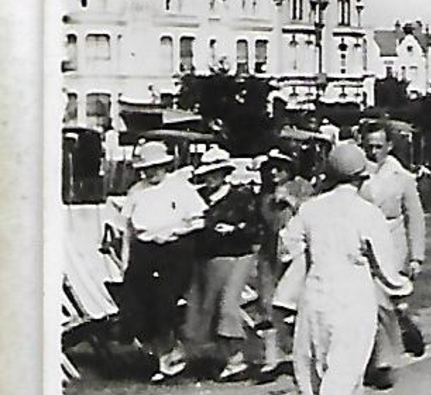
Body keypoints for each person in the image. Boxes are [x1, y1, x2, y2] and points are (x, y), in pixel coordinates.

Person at [280, 142, 413, 395]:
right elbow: (386, 266)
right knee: (348, 359)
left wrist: (311, 256)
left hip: (315, 290)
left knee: (319, 357)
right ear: (360, 178)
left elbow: (286, 246)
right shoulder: (368, 213)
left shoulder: (311, 208)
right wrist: (401, 289)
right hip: (353, 292)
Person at [120, 140, 207, 381]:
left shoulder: (181, 188)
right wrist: (127, 258)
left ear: (165, 166)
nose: (152, 172)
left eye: (157, 167)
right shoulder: (136, 191)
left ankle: (168, 357)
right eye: (147, 168)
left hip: (175, 249)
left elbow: (198, 220)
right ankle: (158, 352)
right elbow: (128, 227)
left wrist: (176, 230)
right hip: (145, 250)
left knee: (165, 302)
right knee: (136, 303)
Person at [182, 147, 262, 380]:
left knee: (227, 305)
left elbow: (254, 228)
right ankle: (224, 357)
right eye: (208, 174)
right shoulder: (199, 198)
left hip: (237, 255)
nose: (211, 178)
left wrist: (234, 229)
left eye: (216, 173)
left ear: (225, 173)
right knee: (207, 308)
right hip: (207, 258)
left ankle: (237, 358)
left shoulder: (240, 197)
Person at [358, 124, 425, 389]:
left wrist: (416, 256)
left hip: (392, 245)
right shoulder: (356, 174)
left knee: (380, 302)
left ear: (389, 146)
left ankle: (383, 361)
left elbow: (415, 217)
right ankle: (401, 326)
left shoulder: (402, 177)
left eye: (378, 146)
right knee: (371, 304)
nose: (373, 152)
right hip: (362, 244)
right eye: (368, 146)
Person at [254, 150, 313, 379]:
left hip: (298, 252)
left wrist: (290, 199)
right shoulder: (265, 195)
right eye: (270, 168)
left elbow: (311, 212)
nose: (274, 173)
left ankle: (301, 352)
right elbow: (266, 222)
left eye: (279, 168)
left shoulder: (302, 187)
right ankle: (272, 357)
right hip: (272, 252)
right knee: (268, 302)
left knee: (298, 303)